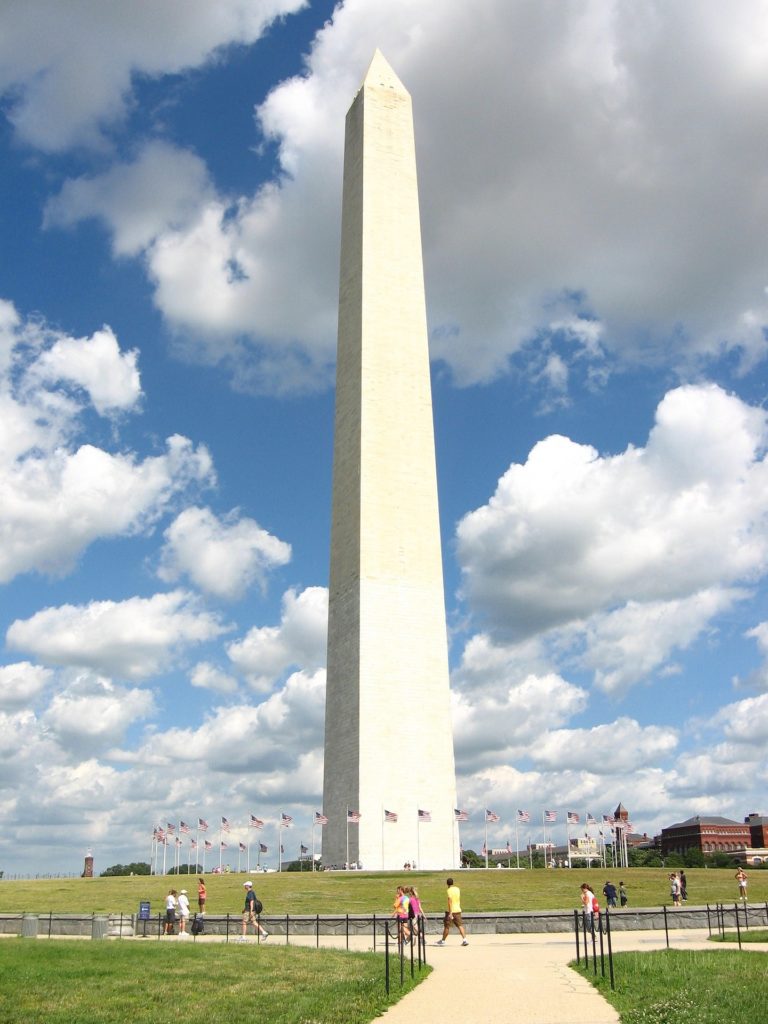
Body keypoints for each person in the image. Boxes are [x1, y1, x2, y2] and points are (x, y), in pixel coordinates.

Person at [436, 877, 468, 946]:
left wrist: (450, 912)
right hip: (458, 910)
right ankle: (465, 940)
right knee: (460, 925)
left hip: (451, 911)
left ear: (447, 884)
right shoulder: (457, 889)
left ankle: (443, 941)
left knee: (447, 926)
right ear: (453, 883)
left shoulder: (449, 890)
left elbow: (449, 901)